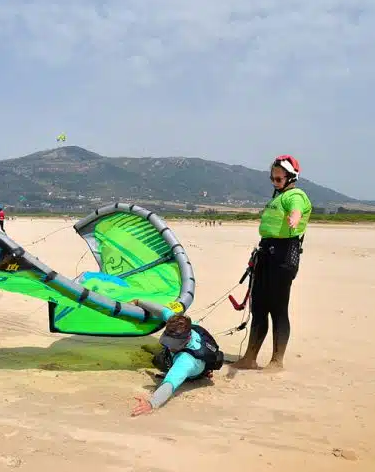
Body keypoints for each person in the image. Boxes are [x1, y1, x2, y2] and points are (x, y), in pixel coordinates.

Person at [233, 154, 312, 371]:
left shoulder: (296, 195)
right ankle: (250, 358)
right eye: (272, 179)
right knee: (258, 307)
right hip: (266, 252)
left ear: (291, 177)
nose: (275, 182)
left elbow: (296, 209)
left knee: (277, 308)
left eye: (278, 179)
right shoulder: (277, 197)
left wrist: (294, 219)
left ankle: (277, 361)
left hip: (284, 254)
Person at [129, 300, 224, 417]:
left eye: (173, 344)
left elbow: (169, 384)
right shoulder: (181, 325)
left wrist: (151, 404)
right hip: (201, 360)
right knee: (165, 351)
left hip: (194, 368)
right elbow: (162, 311)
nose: (169, 346)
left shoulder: (185, 361)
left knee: (158, 361)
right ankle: (205, 370)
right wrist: (139, 302)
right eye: (168, 341)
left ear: (187, 339)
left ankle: (203, 373)